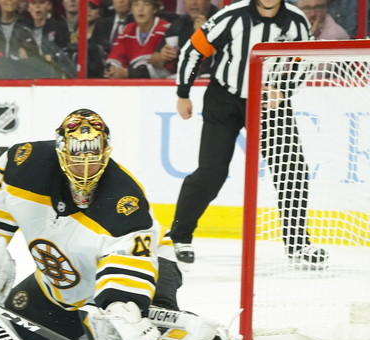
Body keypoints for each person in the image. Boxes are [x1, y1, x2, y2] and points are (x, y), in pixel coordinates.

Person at [0, 109, 259, 340]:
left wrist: (122, 311)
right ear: (62, 152)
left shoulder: (125, 202)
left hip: (150, 270)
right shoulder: (23, 165)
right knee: (11, 339)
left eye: (94, 157)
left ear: (106, 152)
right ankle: (84, 334)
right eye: (77, 157)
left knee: (131, 329)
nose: (85, 168)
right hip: (61, 287)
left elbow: (128, 270)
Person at [170, 0, 327, 269]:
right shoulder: (231, 17)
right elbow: (193, 49)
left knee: (292, 170)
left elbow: (306, 59)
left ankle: (298, 243)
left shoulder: (297, 21)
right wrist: (183, 93)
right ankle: (179, 235)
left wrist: (284, 89)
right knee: (211, 173)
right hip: (225, 100)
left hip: (269, 103)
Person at [104, 0, 171, 79]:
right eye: (136, 5)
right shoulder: (127, 30)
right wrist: (113, 70)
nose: (140, 9)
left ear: (154, 9)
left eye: (146, 4)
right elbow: (115, 57)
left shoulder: (167, 29)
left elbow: (166, 71)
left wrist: (128, 73)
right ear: (131, 9)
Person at [150, 0, 217, 76]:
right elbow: (154, 59)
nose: (193, 3)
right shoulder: (180, 22)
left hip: (213, 78)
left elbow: (228, 58)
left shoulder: (223, 20)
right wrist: (162, 57)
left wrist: (206, 36)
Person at [24, 0, 74, 78]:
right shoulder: (23, 28)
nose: (38, 6)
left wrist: (53, 58)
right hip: (28, 76)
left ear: (49, 6)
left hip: (53, 77)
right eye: (33, 3)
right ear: (28, 7)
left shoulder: (59, 28)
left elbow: (66, 56)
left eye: (42, 2)